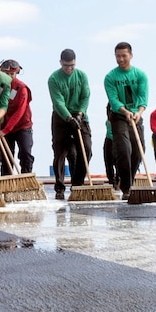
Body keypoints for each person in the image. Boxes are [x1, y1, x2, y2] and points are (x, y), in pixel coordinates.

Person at [104, 42, 149, 200]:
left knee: (138, 151)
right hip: (119, 116)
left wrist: (139, 112)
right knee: (124, 149)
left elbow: (143, 98)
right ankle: (126, 188)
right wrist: (125, 111)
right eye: (118, 56)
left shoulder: (140, 75)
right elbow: (114, 101)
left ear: (131, 55)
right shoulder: (110, 77)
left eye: (124, 56)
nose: (121, 59)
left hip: (136, 115)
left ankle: (128, 178)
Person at [47, 48, 91, 200]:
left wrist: (79, 115)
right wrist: (69, 119)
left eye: (72, 65)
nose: (69, 68)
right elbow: (58, 102)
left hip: (80, 115)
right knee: (60, 153)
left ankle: (77, 183)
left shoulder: (82, 76)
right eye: (66, 65)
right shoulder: (53, 79)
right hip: (61, 117)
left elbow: (86, 96)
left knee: (86, 150)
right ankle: (59, 187)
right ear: (61, 63)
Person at [0, 59, 34, 175]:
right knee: (6, 157)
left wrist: (6, 130)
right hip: (5, 127)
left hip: (22, 126)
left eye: (12, 74)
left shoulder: (22, 88)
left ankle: (26, 178)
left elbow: (20, 111)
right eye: (6, 74)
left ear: (16, 73)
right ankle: (6, 182)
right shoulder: (0, 87)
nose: (9, 77)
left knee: (25, 153)